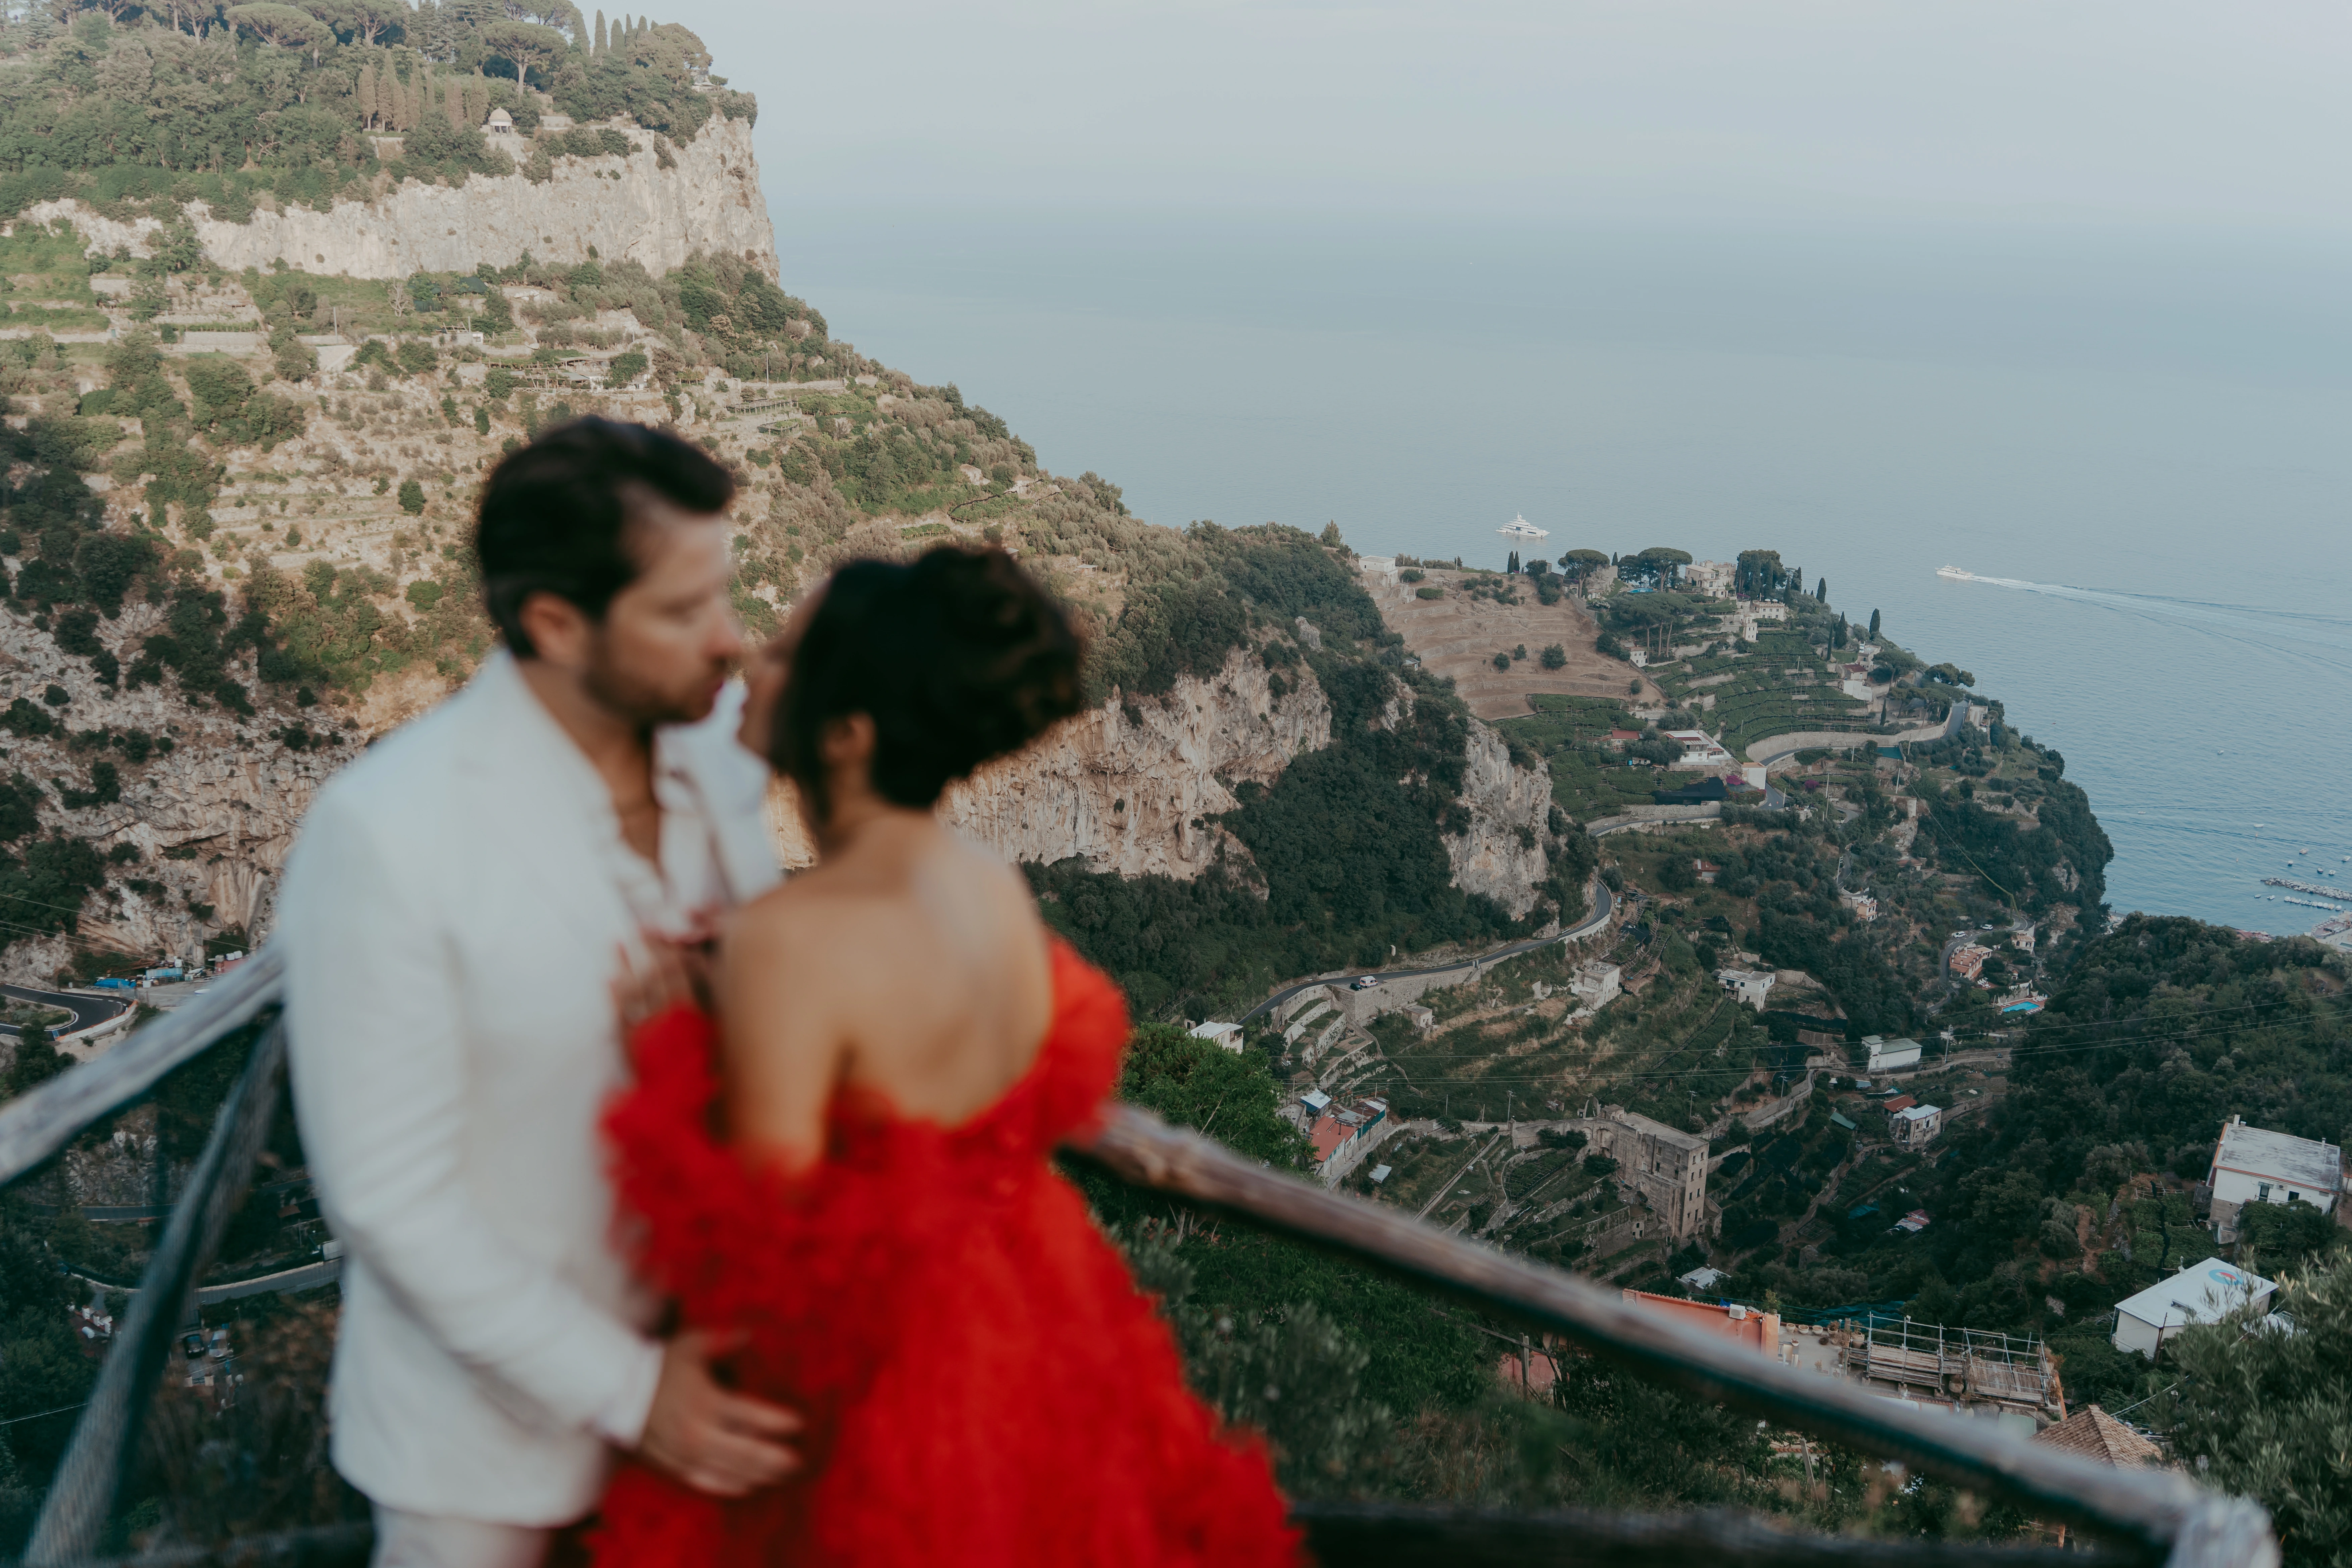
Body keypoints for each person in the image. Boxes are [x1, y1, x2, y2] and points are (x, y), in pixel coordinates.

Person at [592, 546, 1303, 1567]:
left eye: (787, 650)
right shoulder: (989, 886)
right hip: (1039, 1319)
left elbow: (771, 1257)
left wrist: (663, 1055)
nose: (753, 658)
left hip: (896, 1381)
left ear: (845, 734)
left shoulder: (790, 939)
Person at [279, 420, 803, 1568]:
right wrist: (632, 1390)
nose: (733, 641)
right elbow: (385, 1196)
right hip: (490, 1458)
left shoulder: (717, 746)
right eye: (682, 611)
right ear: (558, 625)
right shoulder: (389, 832)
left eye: (725, 593)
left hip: (736, 1377)